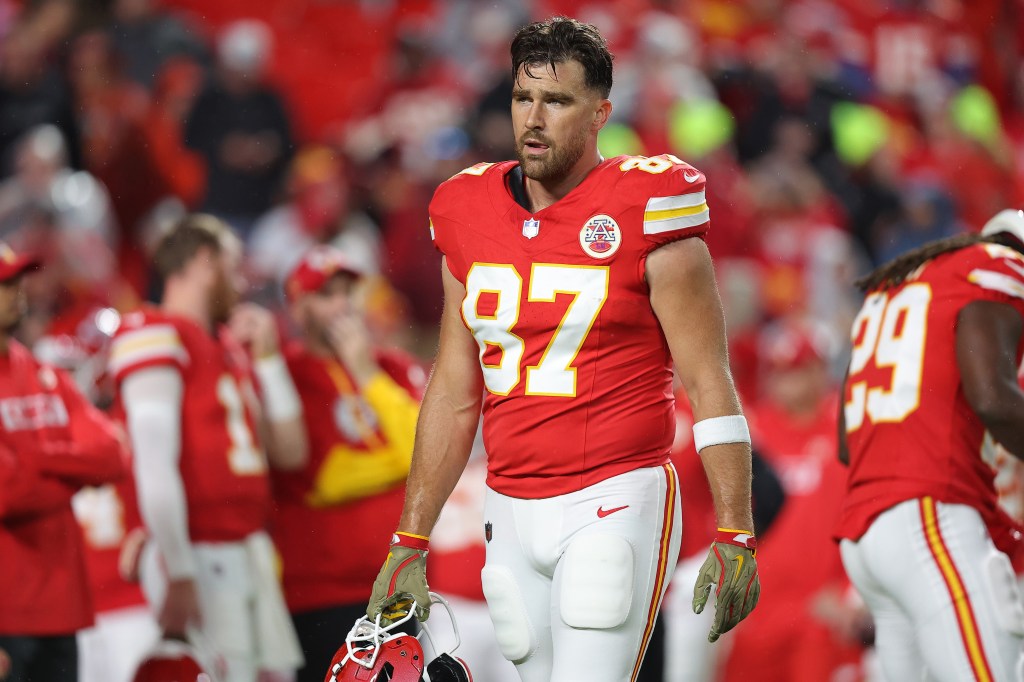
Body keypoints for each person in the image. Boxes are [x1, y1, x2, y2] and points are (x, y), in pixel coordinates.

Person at [366, 17, 759, 682]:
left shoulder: (648, 205)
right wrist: (410, 539)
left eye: (558, 100)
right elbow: (456, 391)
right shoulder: (464, 209)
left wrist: (735, 529)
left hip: (615, 493)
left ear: (601, 112)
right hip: (509, 505)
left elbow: (708, 378)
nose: (535, 118)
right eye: (524, 98)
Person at [107, 214, 305, 682]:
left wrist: (271, 363)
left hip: (247, 547)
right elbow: (154, 459)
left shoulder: (227, 346)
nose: (240, 284)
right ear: (203, 261)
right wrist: (177, 568)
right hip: (198, 550)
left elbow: (291, 453)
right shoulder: (152, 330)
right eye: (233, 268)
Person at [837, 208, 1024, 681]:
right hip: (929, 515)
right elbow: (994, 399)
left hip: (867, 532)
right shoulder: (1000, 266)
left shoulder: (898, 283)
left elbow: (845, 442)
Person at [272, 245, 424, 682]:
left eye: (346, 293)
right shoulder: (288, 376)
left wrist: (365, 373)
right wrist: (402, 464)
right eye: (325, 295)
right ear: (297, 309)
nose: (341, 305)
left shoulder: (387, 367)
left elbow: (428, 448)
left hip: (394, 588)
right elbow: (322, 477)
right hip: (319, 593)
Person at [0, 242, 126, 679]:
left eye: (17, 281)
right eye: (4, 283)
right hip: (5, 613)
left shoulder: (43, 373)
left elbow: (112, 457)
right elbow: (8, 494)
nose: (17, 291)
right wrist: (74, 472)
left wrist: (35, 457)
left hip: (61, 608)